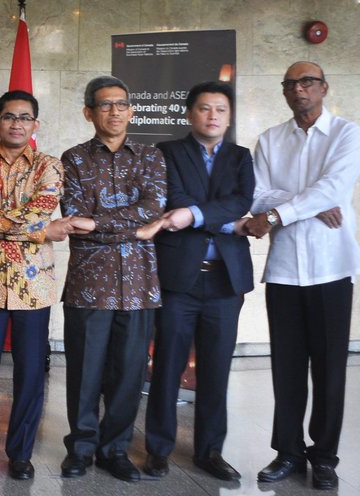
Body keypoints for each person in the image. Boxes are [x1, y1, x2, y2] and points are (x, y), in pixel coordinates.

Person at [246, 61, 360, 491]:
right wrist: (306, 202)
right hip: (286, 270)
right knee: (287, 368)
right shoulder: (271, 140)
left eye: (308, 81)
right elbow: (255, 194)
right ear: (284, 91)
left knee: (330, 369)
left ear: (324, 87)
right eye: (291, 83)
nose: (299, 89)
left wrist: (280, 212)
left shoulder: (349, 134)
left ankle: (325, 457)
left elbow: (335, 187)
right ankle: (288, 452)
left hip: (332, 267)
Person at [144, 81, 254, 482]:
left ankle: (210, 451)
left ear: (229, 116)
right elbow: (171, 198)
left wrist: (193, 215)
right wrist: (220, 218)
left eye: (220, 110)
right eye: (205, 109)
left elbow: (244, 201)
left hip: (225, 281)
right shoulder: (167, 153)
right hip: (179, 280)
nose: (213, 116)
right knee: (167, 366)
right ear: (190, 114)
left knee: (215, 369)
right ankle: (158, 449)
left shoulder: (242, 157)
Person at [59, 75, 166, 482]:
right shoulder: (73, 159)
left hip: (140, 284)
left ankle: (115, 449)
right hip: (90, 284)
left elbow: (153, 207)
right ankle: (82, 448)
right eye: (105, 105)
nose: (115, 111)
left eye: (121, 103)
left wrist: (102, 222)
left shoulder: (151, 157)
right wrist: (135, 227)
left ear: (132, 110)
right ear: (89, 112)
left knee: (128, 373)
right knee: (84, 371)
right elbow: (75, 215)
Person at [0, 90, 68, 480]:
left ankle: (21, 454)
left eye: (25, 117)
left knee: (30, 371)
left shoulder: (51, 167)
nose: (17, 123)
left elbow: (43, 211)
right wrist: (38, 229)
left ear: (35, 124)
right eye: (9, 117)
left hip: (34, 284)